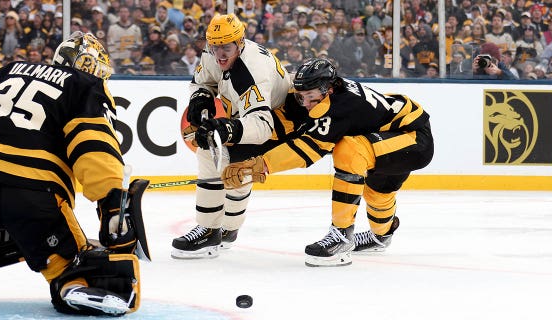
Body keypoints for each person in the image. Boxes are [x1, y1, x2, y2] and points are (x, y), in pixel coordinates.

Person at [0, 31, 149, 317]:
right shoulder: (85, 85)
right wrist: (113, 203)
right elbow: (94, 149)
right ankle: (75, 283)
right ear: (92, 68)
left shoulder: (9, 69)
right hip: (31, 193)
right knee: (68, 262)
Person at [221, 58, 434, 267]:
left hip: (413, 138)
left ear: (328, 90)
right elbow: (290, 124)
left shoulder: (340, 107)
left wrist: (261, 164)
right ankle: (381, 236)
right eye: (301, 96)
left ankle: (342, 235)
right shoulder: (320, 94)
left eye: (310, 97)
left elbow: (307, 150)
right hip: (387, 133)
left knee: (349, 150)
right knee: (378, 193)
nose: (305, 103)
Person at [171, 13, 293, 259]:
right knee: (236, 170)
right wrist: (201, 97)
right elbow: (203, 81)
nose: (220, 54)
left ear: (241, 42)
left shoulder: (251, 71)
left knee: (222, 159)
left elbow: (261, 126)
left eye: (226, 47)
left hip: (279, 121)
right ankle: (227, 231)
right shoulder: (213, 49)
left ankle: (209, 230)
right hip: (249, 116)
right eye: (214, 47)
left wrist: (228, 129)